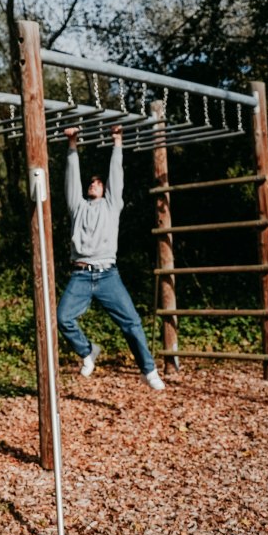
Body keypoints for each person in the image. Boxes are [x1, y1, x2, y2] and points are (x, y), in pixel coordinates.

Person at [57, 124, 165, 390]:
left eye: (98, 182)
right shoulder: (78, 206)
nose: (93, 184)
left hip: (108, 275)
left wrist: (117, 142)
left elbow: (116, 176)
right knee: (63, 318)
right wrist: (72, 145)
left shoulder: (111, 204)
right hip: (81, 274)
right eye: (91, 182)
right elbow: (72, 178)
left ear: (104, 189)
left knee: (132, 322)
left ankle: (148, 370)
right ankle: (88, 350)